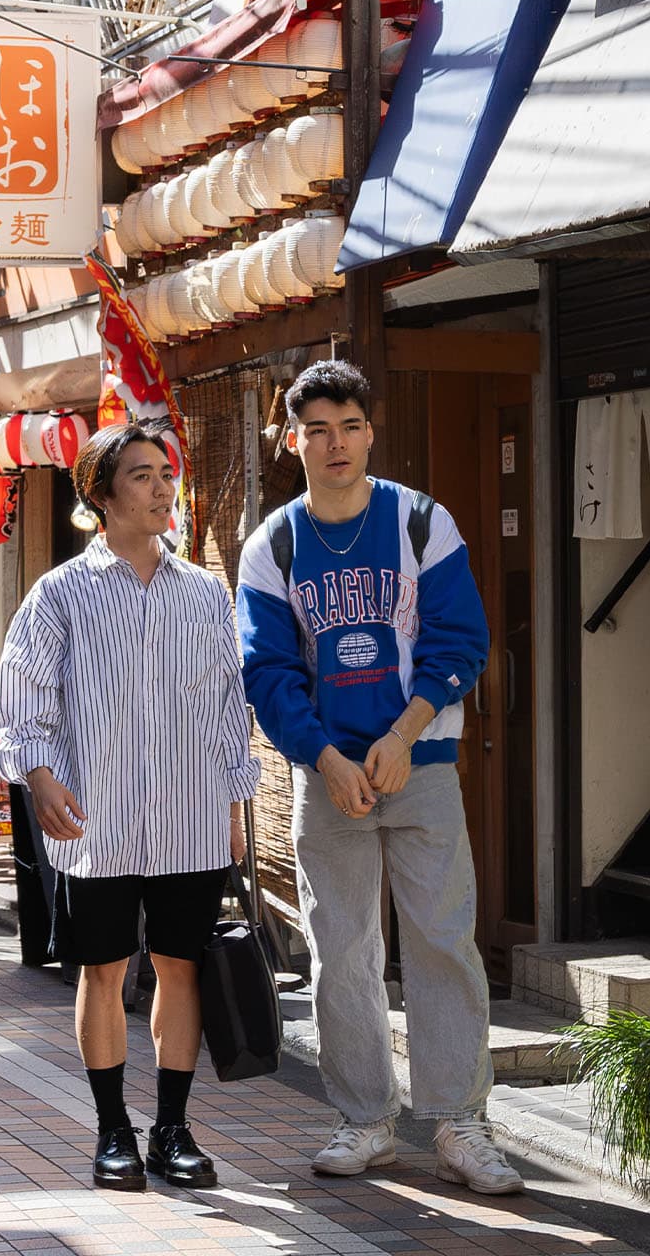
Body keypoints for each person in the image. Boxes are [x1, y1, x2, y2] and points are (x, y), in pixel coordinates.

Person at [236, 358, 522, 1197]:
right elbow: (267, 671)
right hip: (328, 776)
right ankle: (365, 1119)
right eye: (317, 429)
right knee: (343, 951)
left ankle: (459, 1122)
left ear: (371, 430)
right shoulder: (273, 544)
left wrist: (403, 734)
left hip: (421, 761)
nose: (336, 444)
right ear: (293, 440)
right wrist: (322, 756)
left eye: (350, 426)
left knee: (442, 941)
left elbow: (459, 641)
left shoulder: (422, 522)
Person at [0, 421, 260, 1194]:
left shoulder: (207, 593)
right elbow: (24, 698)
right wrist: (37, 776)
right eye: (141, 476)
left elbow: (225, 705)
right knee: (103, 971)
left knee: (182, 970)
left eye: (166, 474)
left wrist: (237, 804)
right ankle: (113, 1132)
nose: (162, 488)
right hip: (95, 819)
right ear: (101, 497)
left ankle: (172, 1130)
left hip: (190, 816)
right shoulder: (60, 595)